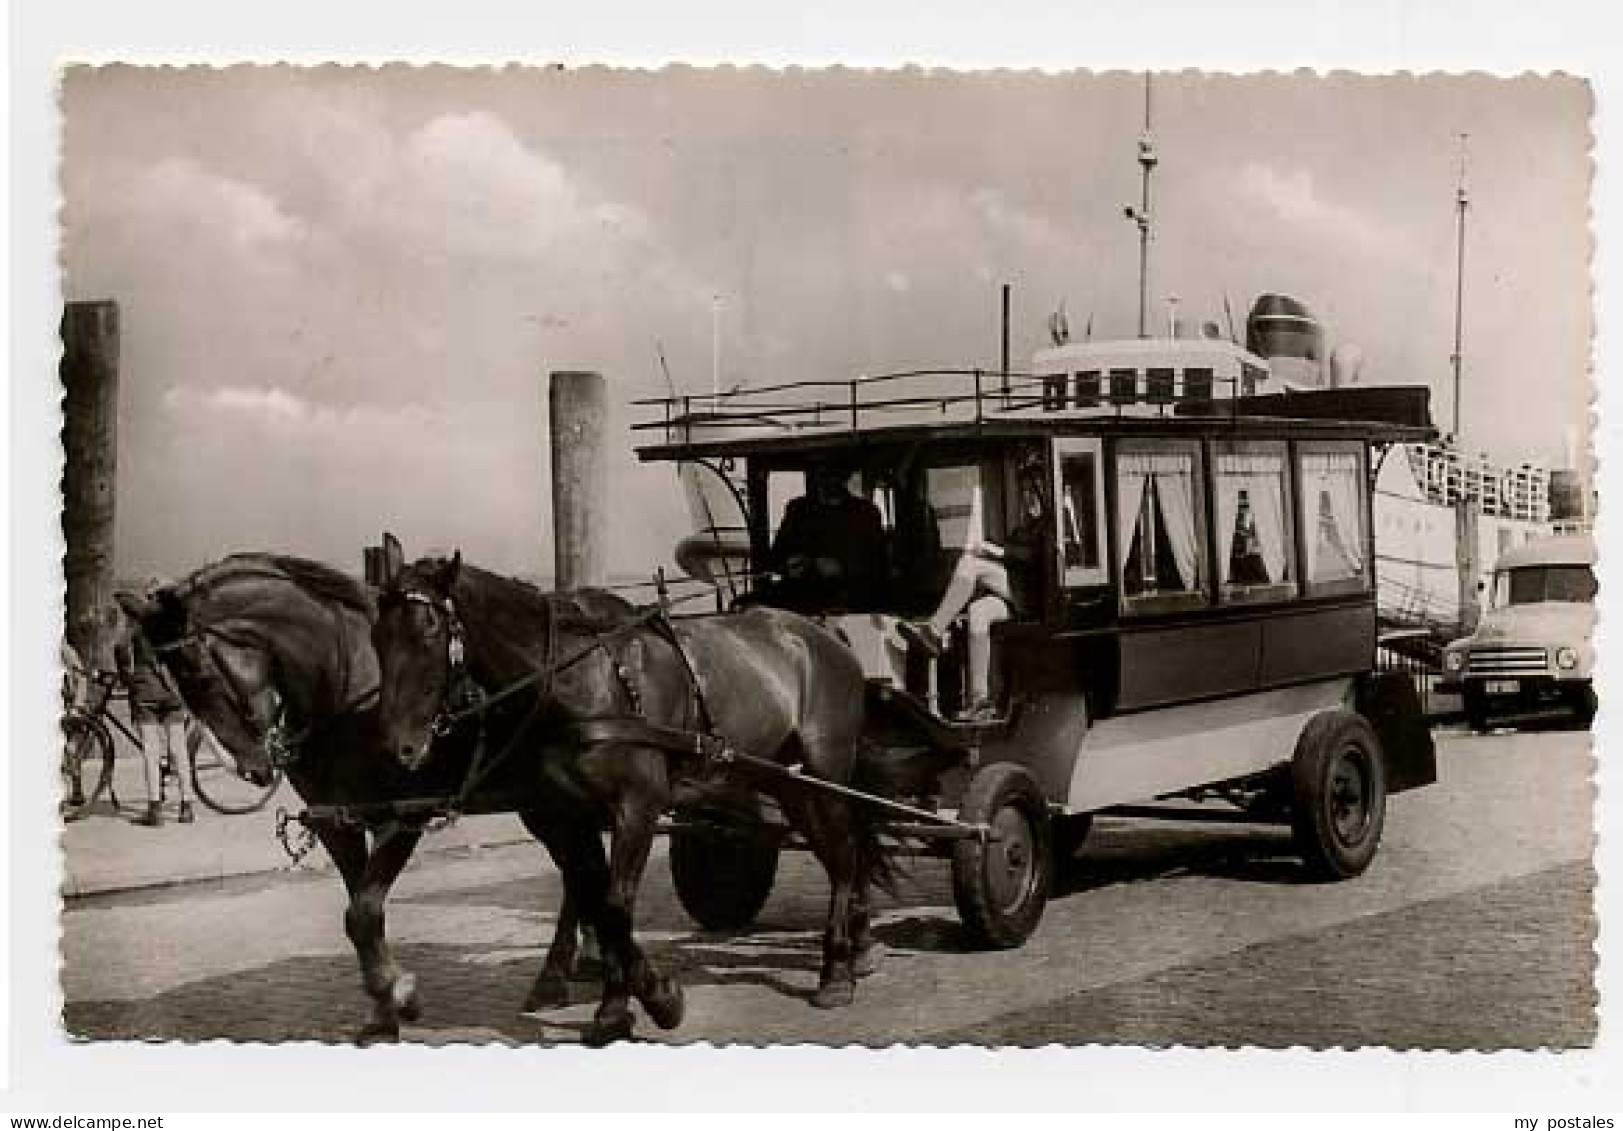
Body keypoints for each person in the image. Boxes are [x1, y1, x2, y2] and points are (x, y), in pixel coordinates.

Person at [899, 464, 1049, 722]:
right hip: (1016, 593)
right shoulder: (1028, 525)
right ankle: (980, 700)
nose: (1028, 498)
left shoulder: (1050, 523)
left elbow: (1034, 556)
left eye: (1031, 492)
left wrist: (996, 552)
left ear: (1043, 493)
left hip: (1037, 595)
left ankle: (934, 630)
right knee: (977, 612)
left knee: (970, 565)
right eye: (1025, 492)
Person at [114, 586, 196, 827]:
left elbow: (120, 648)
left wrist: (127, 678)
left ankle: (155, 809)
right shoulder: (175, 625)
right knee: (178, 749)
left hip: (145, 690)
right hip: (172, 692)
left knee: (151, 750)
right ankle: (186, 807)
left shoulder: (137, 622)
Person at [767, 464, 888, 611]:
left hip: (854, 603)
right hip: (801, 600)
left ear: (845, 476)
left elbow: (881, 564)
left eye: (834, 474)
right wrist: (789, 565)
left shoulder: (865, 513)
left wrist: (844, 568)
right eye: (822, 473)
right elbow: (775, 558)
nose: (828, 480)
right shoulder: (798, 510)